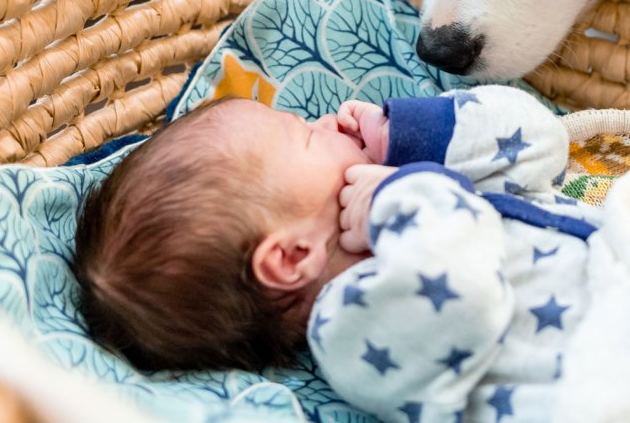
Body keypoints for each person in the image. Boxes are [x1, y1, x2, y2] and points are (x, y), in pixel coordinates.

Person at [74, 84, 600, 422]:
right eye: (304, 135)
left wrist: (411, 136)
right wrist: (401, 194)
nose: (324, 120)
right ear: (291, 257)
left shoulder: (419, 199)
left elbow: (541, 146)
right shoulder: (350, 327)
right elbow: (466, 294)